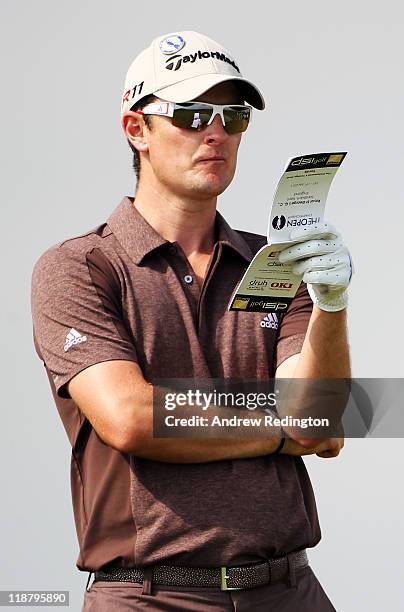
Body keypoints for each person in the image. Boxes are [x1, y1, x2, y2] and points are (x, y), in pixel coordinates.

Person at [31, 30, 352, 611]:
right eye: (191, 113)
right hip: (149, 596)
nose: (216, 132)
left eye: (233, 116)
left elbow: (324, 421)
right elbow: (130, 417)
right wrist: (281, 429)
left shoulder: (277, 264)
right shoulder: (79, 267)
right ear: (137, 129)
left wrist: (331, 303)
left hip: (289, 590)